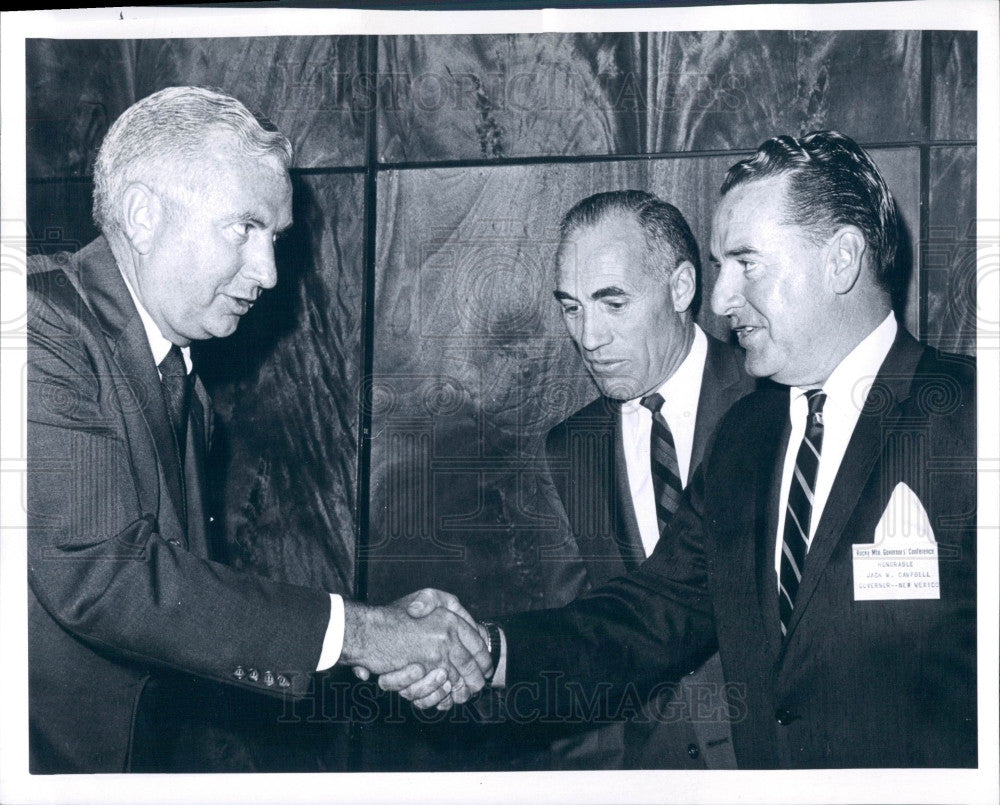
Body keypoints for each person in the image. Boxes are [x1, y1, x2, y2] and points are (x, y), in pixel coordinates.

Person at [384, 131, 977, 769]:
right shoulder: (750, 434)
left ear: (842, 258)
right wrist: (493, 651)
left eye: (746, 263)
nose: (720, 301)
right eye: (721, 267)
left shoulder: (974, 416)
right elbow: (652, 616)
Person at [27, 85, 489, 774]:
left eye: (274, 239)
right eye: (244, 228)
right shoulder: (35, 328)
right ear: (143, 215)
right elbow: (108, 578)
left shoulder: (176, 367)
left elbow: (187, 602)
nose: (269, 273)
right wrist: (368, 633)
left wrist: (387, 630)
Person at [542, 191, 755, 768]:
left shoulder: (771, 404)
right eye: (572, 307)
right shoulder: (569, 449)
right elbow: (577, 646)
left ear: (681, 288)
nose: (588, 337)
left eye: (613, 303)